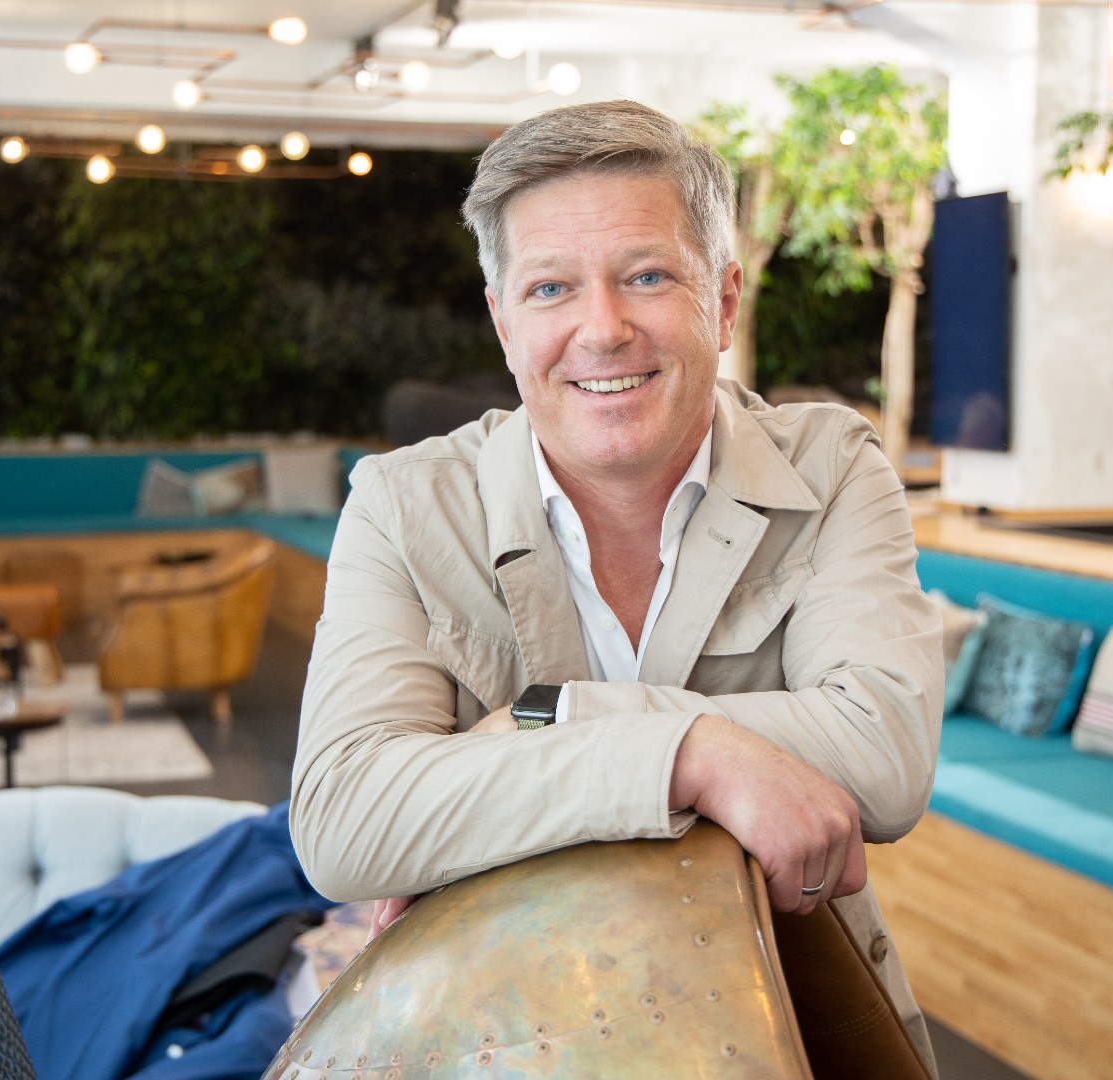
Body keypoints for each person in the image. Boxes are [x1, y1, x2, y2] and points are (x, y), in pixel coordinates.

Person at [291, 99, 943, 1071]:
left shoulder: (833, 467)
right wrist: (695, 757)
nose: (601, 329)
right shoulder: (404, 506)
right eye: (551, 288)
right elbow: (344, 819)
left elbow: (884, 758)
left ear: (723, 300)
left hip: (790, 1025)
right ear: (503, 322)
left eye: (647, 276)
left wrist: (549, 718)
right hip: (501, 1035)